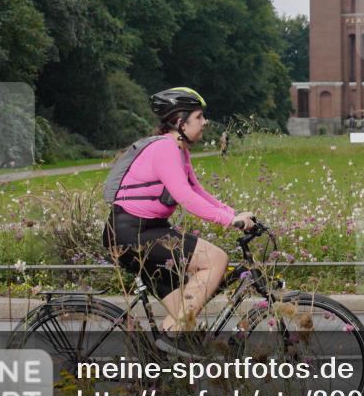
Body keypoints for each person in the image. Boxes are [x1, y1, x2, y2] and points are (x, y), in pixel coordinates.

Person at [102, 87, 255, 348]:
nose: (205, 122)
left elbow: (197, 189)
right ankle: (169, 346)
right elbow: (185, 196)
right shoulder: (164, 148)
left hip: (148, 230)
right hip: (133, 232)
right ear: (179, 122)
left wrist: (234, 213)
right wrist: (229, 221)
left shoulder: (179, 150)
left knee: (184, 316)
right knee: (216, 259)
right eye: (198, 117)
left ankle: (159, 370)